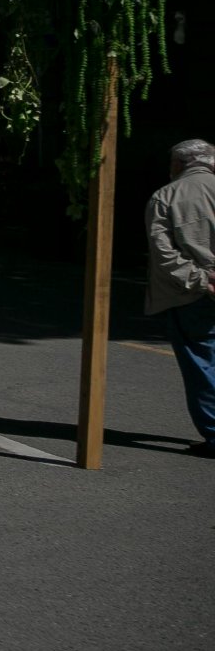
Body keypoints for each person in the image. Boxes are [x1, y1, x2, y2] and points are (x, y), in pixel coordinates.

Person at [145, 138, 215, 457]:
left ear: (178, 164)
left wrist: (202, 279)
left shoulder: (166, 196)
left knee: (202, 364)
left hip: (193, 295)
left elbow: (164, 253)